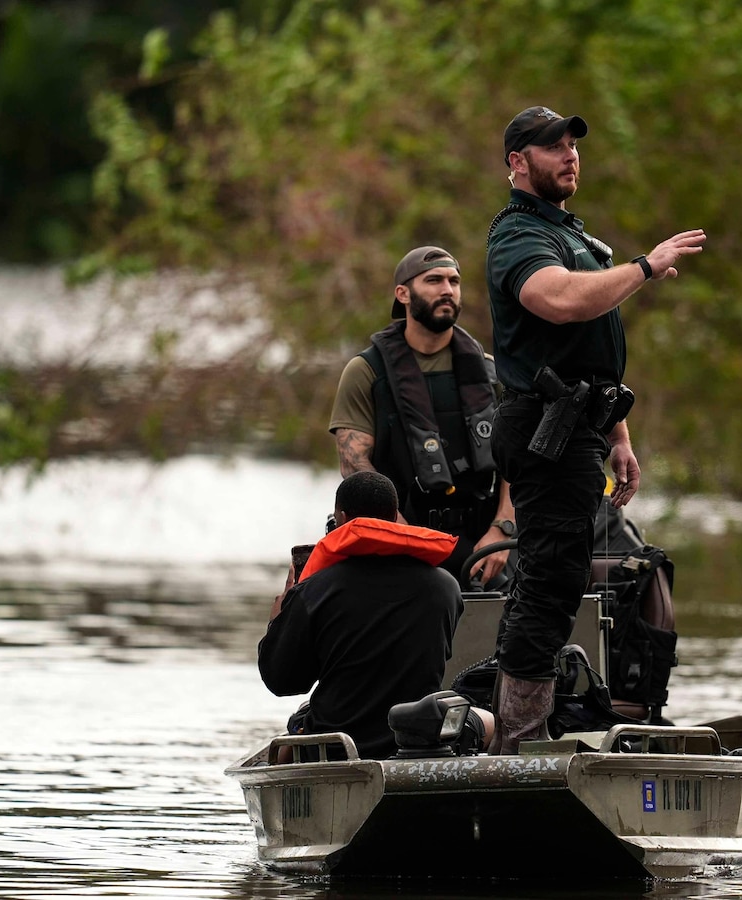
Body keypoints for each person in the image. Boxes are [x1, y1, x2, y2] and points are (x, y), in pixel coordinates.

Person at [484, 105, 706, 753]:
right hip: (542, 433)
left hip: (580, 428)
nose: (570, 156)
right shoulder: (519, 234)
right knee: (550, 583)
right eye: (553, 147)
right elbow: (558, 300)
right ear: (518, 163)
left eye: (574, 146)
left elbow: (589, 349)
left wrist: (619, 435)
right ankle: (519, 741)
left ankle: (528, 727)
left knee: (558, 576)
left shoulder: (568, 233)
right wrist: (642, 267)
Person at [258, 471, 493, 759]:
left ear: (341, 519)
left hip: (338, 745)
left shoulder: (313, 591)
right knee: (490, 722)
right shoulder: (445, 587)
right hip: (419, 740)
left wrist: (278, 619)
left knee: (287, 742)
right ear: (395, 518)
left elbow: (282, 682)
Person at [329, 246, 515, 587]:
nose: (447, 289)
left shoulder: (491, 372)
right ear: (402, 293)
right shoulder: (366, 372)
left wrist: (503, 529)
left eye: (454, 281)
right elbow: (354, 464)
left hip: (484, 543)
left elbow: (517, 461)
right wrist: (399, 533)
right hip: (398, 539)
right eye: (434, 280)